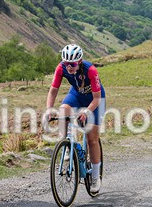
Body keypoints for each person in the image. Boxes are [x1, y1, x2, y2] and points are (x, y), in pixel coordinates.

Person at [43, 44, 105, 194]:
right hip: (77, 94)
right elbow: (53, 92)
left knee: (92, 139)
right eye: (66, 63)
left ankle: (96, 177)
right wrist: (49, 110)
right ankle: (66, 145)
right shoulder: (61, 68)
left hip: (95, 99)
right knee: (63, 110)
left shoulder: (91, 70)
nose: (69, 67)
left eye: (72, 64)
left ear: (80, 61)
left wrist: (86, 112)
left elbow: (97, 98)